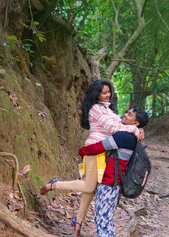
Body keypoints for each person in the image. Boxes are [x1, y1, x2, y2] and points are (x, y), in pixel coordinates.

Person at [40, 79, 143, 236]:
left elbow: (121, 124)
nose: (108, 95)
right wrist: (135, 130)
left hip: (104, 153)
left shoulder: (109, 110)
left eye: (109, 92)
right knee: (89, 187)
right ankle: (55, 184)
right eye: (104, 93)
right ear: (97, 94)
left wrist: (138, 129)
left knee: (91, 188)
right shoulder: (95, 108)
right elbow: (112, 127)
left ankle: (78, 222)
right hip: (94, 150)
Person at [78, 105, 149, 237]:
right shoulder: (130, 135)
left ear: (136, 122)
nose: (125, 115)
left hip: (109, 182)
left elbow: (100, 147)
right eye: (126, 112)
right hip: (114, 182)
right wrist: (140, 129)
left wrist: (83, 151)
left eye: (129, 115)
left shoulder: (124, 136)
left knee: (102, 221)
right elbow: (112, 119)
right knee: (106, 219)